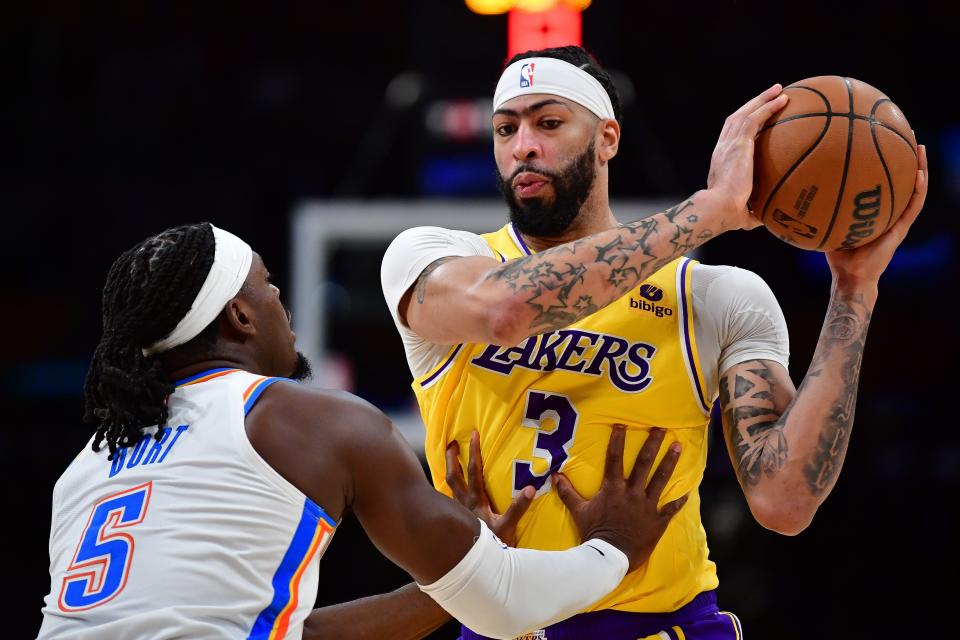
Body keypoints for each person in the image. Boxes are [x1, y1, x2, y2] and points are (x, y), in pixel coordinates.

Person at [380, 46, 928, 639]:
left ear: (607, 138)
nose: (523, 147)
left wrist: (853, 290)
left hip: (661, 624)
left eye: (549, 122)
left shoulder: (715, 295)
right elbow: (508, 310)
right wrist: (709, 212)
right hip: (500, 623)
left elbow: (785, 502)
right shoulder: (436, 258)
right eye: (506, 128)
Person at [37, 222, 691, 640]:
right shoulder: (309, 419)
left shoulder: (88, 467)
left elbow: (291, 634)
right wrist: (615, 548)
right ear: (239, 316)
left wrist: (443, 590)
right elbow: (507, 606)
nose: (282, 306)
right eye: (269, 288)